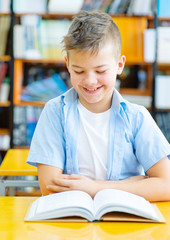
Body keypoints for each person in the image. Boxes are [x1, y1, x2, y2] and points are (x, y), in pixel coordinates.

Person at [27, 10, 170, 201]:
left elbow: (166, 185)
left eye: (100, 70)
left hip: (126, 224)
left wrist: (95, 188)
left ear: (119, 65)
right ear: (68, 65)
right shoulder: (55, 112)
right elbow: (50, 187)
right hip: (72, 222)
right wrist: (130, 184)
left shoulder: (137, 117)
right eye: (79, 71)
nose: (90, 81)